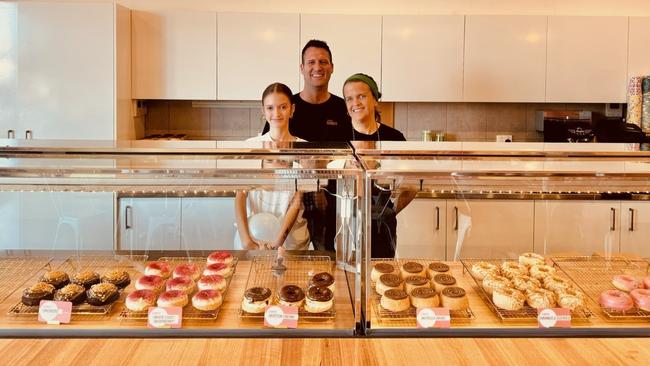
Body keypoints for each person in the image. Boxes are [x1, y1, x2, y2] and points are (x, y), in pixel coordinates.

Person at [261, 40, 352, 252]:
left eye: (323, 62)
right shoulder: (286, 105)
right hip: (290, 199)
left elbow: (350, 154)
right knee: (288, 259)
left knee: (326, 257)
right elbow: (269, 153)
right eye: (311, 62)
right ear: (302, 68)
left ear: (332, 67)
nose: (317, 67)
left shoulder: (342, 108)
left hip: (330, 200)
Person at [342, 73, 415, 258]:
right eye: (349, 98)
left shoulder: (394, 138)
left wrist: (389, 211)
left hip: (382, 226)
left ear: (375, 100)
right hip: (343, 222)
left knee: (382, 274)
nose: (355, 103)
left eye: (361, 96)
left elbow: (412, 185)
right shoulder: (335, 136)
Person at [234, 83, 309, 250]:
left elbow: (297, 202)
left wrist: (278, 241)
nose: (276, 113)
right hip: (253, 235)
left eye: (283, 107)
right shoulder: (250, 146)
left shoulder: (304, 148)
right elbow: (240, 196)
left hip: (290, 241)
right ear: (263, 110)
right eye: (270, 108)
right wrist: (246, 240)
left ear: (292, 109)